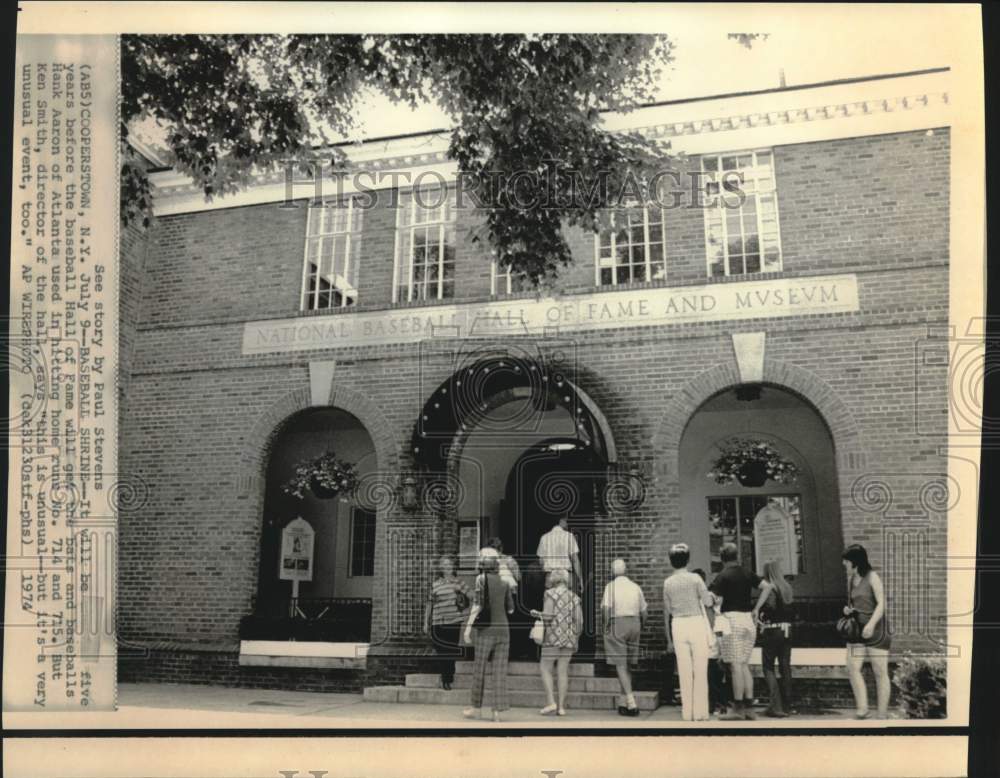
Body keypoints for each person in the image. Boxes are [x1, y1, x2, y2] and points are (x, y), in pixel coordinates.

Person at [662, 542, 715, 722]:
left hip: (678, 624)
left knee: (684, 670)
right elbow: (707, 602)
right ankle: (701, 712)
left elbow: (667, 609)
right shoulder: (695, 579)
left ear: (671, 561)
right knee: (700, 668)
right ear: (688, 560)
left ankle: (687, 713)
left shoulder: (667, 582)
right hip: (696, 622)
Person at [710, 542, 761, 720]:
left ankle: (738, 709)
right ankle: (749, 708)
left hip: (732, 621)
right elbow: (768, 586)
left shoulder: (722, 576)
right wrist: (757, 608)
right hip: (748, 620)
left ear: (723, 558)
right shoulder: (747, 572)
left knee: (735, 666)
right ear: (736, 556)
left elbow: (711, 599)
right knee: (744, 665)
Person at [463, 552, 515, 722]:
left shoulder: (481, 580)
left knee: (480, 669)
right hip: (504, 631)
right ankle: (497, 713)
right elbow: (511, 610)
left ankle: (475, 708)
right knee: (499, 672)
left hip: (486, 631)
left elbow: (477, 605)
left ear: (484, 566)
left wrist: (468, 628)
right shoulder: (505, 583)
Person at [842, 543, 892, 719]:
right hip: (856, 631)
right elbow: (853, 603)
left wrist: (871, 624)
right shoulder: (851, 580)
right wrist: (848, 610)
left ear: (855, 561)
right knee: (852, 667)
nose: (844, 564)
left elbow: (881, 604)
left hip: (876, 630)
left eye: (846, 561)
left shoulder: (872, 577)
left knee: (879, 671)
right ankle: (862, 708)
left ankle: (882, 713)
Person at [531, 568, 583, 716]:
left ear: (553, 580)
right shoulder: (574, 597)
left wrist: (538, 615)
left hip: (552, 638)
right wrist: (576, 637)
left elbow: (548, 617)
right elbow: (579, 621)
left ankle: (551, 702)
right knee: (562, 671)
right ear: (566, 580)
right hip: (569, 638)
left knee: (545, 668)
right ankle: (561, 707)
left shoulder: (549, 594)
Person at [600, 559, 648, 715]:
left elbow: (606, 609)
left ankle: (631, 702)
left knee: (620, 665)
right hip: (635, 623)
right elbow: (644, 612)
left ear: (612, 571)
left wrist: (606, 625)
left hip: (617, 623)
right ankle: (623, 702)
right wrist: (641, 625)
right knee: (627, 665)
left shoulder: (610, 587)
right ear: (625, 570)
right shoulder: (635, 587)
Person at [752, 559, 795, 717]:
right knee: (785, 668)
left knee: (768, 667)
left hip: (773, 631)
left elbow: (766, 608)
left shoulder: (770, 587)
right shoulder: (787, 587)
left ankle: (775, 706)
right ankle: (787, 706)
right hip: (788, 630)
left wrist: (758, 612)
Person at [422, 555, 472, 690]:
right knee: (441, 651)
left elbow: (471, 595)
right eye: (443, 565)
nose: (446, 567)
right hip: (437, 622)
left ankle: (448, 677)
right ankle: (446, 677)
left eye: (448, 564)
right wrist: (426, 623)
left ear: (452, 567)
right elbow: (429, 604)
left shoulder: (458, 582)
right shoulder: (435, 584)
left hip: (454, 621)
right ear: (441, 568)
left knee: (450, 650)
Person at [693, 567, 730, 715]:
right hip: (707, 638)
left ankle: (717, 704)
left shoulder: (707, 597)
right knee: (711, 674)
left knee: (712, 674)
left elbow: (713, 618)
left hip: (711, 638)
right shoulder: (703, 597)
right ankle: (716, 703)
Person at [536, 516, 582, 592]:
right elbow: (575, 560)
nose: (567, 524)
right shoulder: (569, 536)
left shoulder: (544, 537)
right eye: (566, 521)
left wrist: (545, 573)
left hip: (550, 575)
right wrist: (580, 579)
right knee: (566, 601)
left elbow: (541, 561)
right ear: (561, 521)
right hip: (566, 575)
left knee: (550, 601)